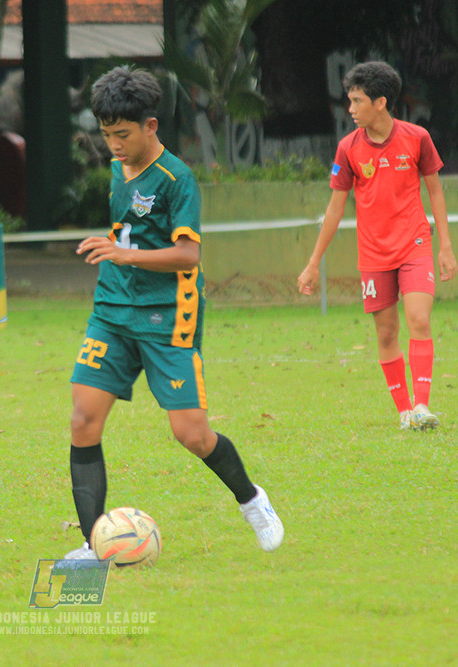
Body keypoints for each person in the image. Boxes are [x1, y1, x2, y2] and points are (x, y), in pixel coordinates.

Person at [65, 66, 283, 559]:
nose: (114, 145)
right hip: (112, 310)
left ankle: (252, 500)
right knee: (82, 420)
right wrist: (119, 257)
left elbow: (188, 256)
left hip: (168, 315)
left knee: (192, 434)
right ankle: (92, 544)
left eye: (123, 134)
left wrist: (125, 255)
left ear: (151, 126)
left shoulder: (176, 179)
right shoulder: (118, 168)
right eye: (107, 134)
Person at [297, 61, 458, 431]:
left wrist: (446, 246)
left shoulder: (417, 138)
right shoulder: (348, 149)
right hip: (373, 254)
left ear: (381, 102)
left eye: (357, 101)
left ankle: (422, 405)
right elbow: (335, 208)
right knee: (386, 334)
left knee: (419, 319)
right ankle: (404, 413)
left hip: (415, 245)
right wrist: (313, 262)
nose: (350, 109)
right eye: (350, 101)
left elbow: (435, 191)